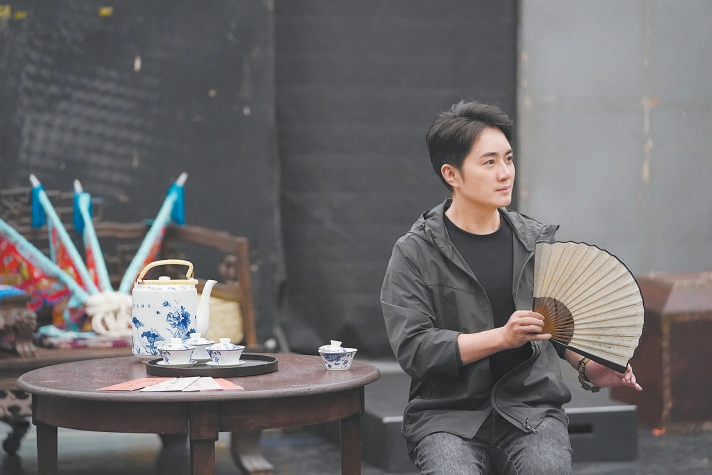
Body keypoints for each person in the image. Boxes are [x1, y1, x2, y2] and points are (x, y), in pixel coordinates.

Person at [380, 100, 642, 475]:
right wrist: (502, 338)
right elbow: (415, 348)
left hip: (530, 411)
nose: (505, 173)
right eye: (489, 163)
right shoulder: (414, 252)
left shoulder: (535, 242)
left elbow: (556, 333)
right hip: (448, 416)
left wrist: (592, 367)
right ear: (452, 174)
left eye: (508, 159)